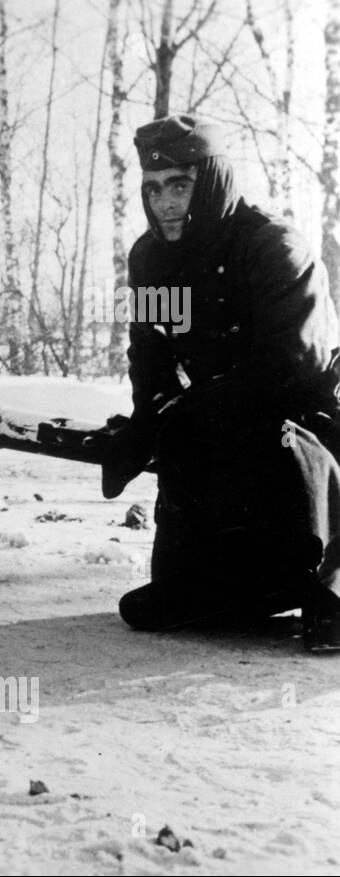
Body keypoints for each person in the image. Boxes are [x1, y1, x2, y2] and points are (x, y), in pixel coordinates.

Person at [103, 113, 340, 651]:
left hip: (300, 419)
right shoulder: (152, 257)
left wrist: (188, 413)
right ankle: (230, 589)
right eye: (154, 188)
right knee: (171, 598)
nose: (165, 201)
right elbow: (150, 350)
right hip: (212, 419)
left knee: (282, 450)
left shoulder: (270, 245)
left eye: (180, 185)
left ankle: (322, 589)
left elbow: (291, 366)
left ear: (211, 180)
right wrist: (146, 422)